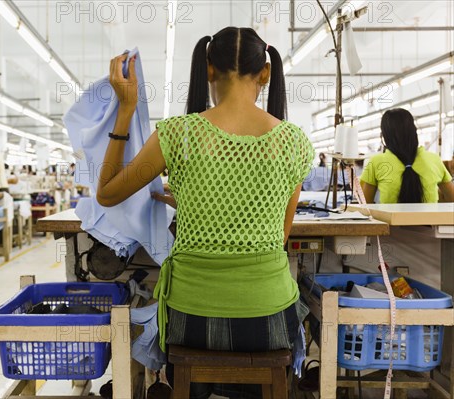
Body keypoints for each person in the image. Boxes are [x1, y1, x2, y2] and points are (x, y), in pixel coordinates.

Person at [96, 27, 313, 398]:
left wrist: (126, 108)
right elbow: (277, 236)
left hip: (191, 318)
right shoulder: (294, 142)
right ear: (265, 72)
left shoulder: (177, 134)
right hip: (268, 318)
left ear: (209, 69)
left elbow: (107, 193)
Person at [361, 108, 453, 204]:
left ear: (384, 135)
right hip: (430, 219)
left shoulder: (376, 162)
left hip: (390, 219)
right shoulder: (434, 160)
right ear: (414, 131)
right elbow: (452, 199)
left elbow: (365, 206)